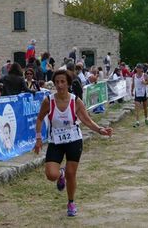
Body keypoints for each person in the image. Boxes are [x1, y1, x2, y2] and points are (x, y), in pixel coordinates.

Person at [33, 69, 113, 217]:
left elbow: (86, 120)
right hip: (55, 141)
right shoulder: (48, 101)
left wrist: (100, 129)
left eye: (63, 81)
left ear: (68, 83)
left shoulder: (75, 101)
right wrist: (38, 139)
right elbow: (39, 119)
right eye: (57, 82)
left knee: (72, 174)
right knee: (51, 175)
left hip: (74, 140)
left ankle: (71, 202)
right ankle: (60, 173)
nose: (60, 85)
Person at [131, 63, 148, 128]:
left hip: (144, 93)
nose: (138, 69)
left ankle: (146, 119)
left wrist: (145, 82)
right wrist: (131, 91)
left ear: (142, 69)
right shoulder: (134, 76)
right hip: (137, 94)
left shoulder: (144, 75)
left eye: (140, 68)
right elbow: (133, 84)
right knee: (137, 108)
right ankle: (137, 122)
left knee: (145, 108)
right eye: (137, 68)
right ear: (136, 68)